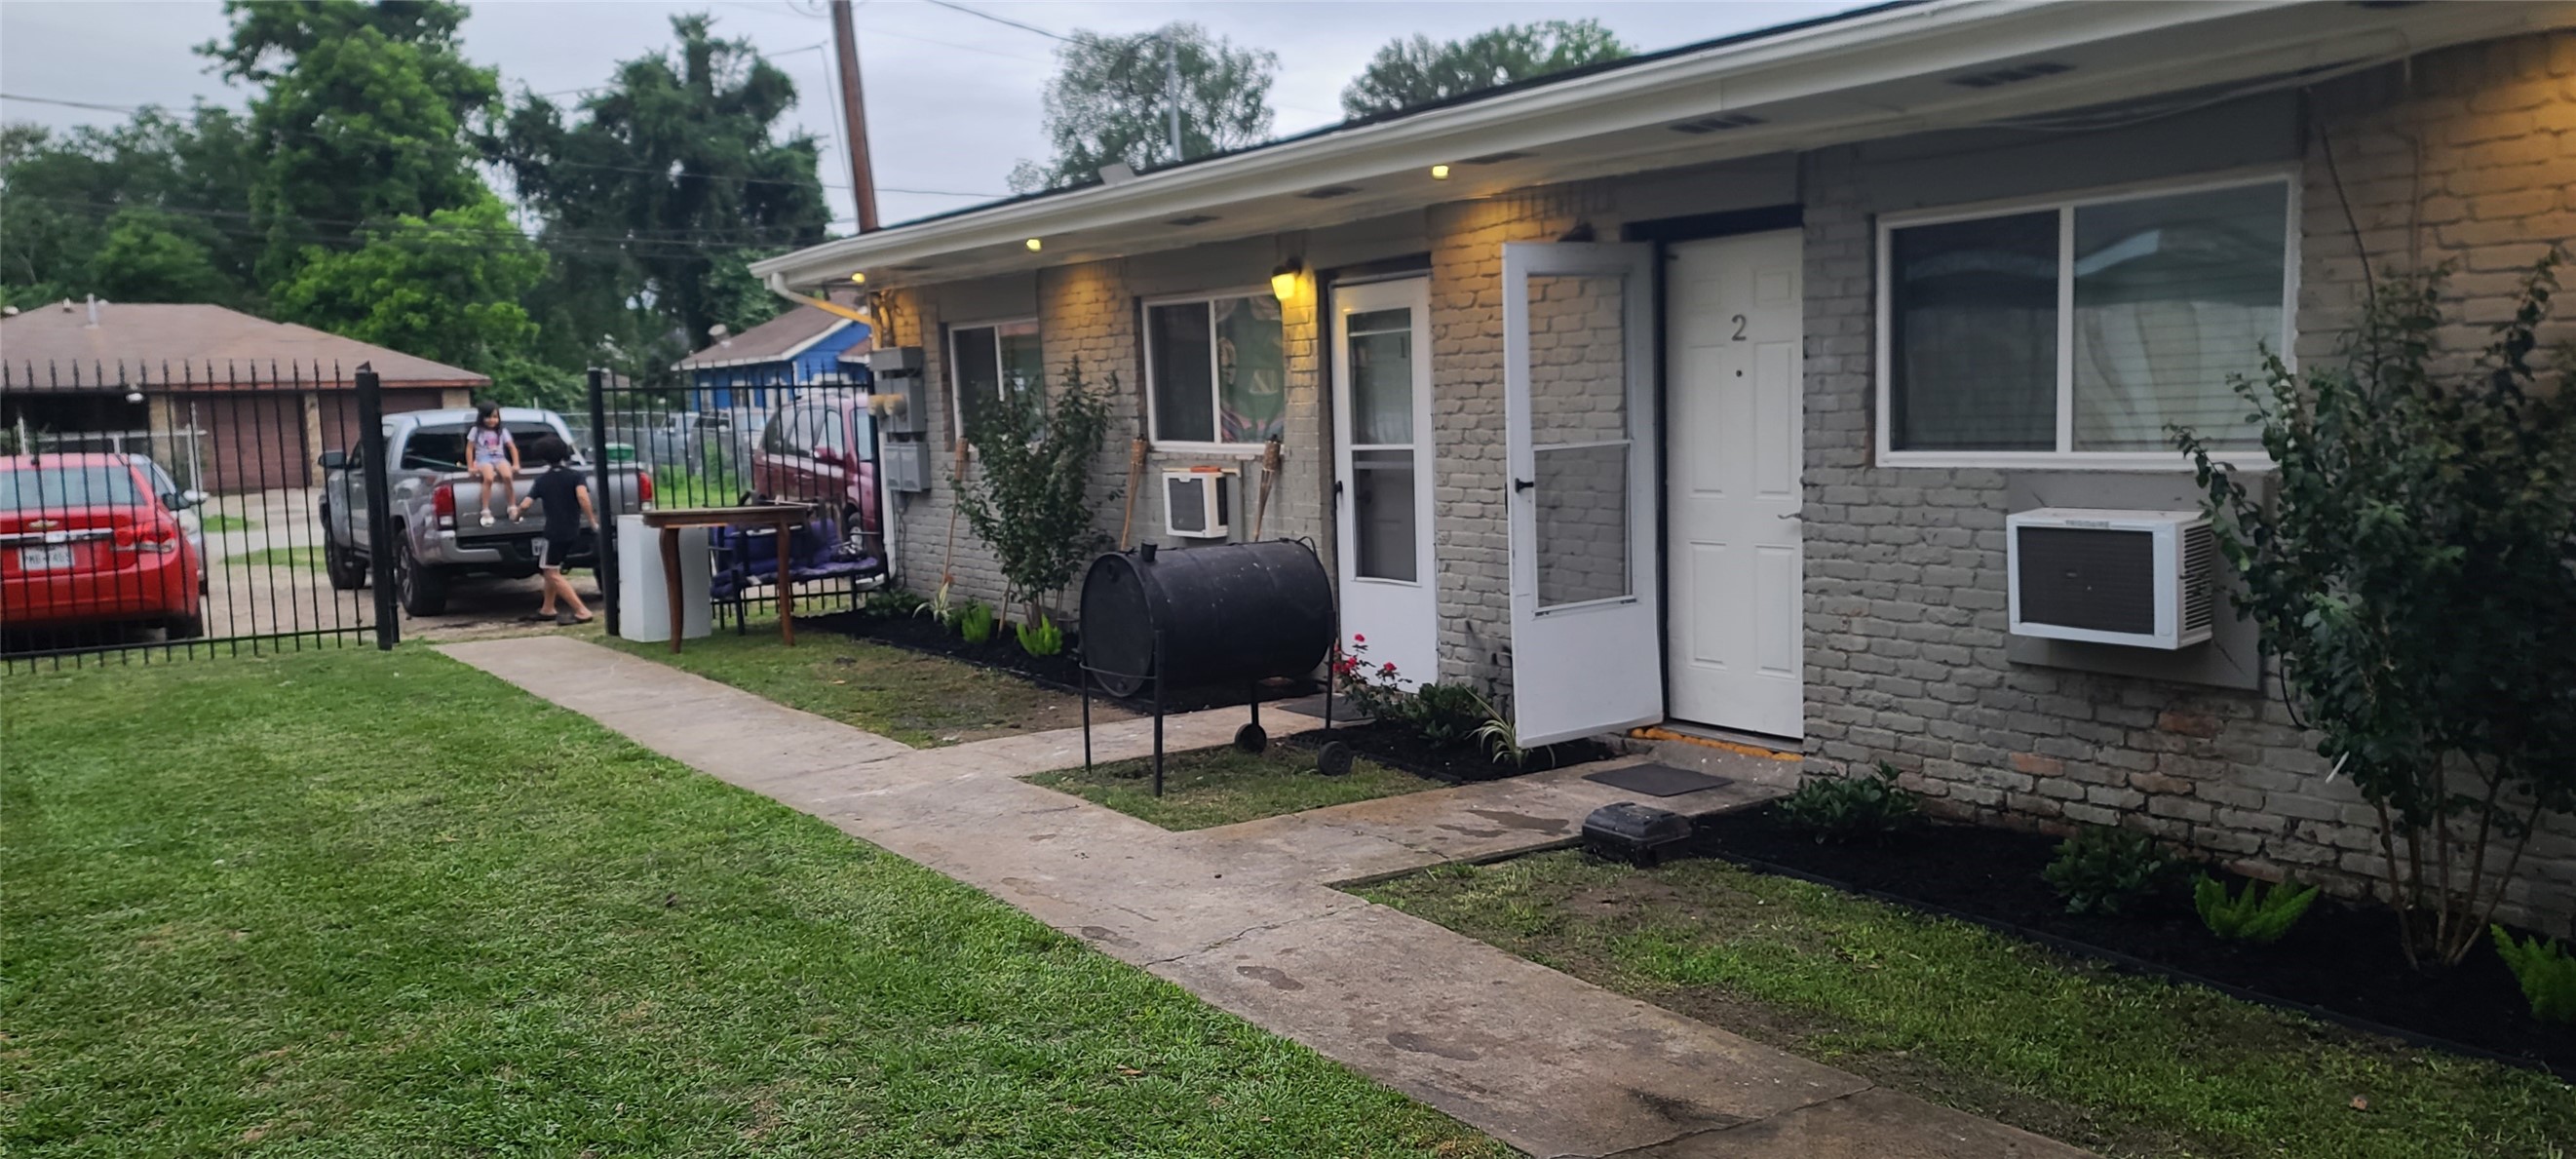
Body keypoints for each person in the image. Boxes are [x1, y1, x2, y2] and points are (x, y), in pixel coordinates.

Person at [509, 437, 595, 625]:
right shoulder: (575, 475)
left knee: (550, 572)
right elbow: (582, 497)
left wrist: (516, 515)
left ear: (542, 458)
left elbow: (525, 504)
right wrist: (592, 521)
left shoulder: (542, 480)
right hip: (572, 530)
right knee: (552, 567)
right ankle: (548, 608)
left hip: (553, 533)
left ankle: (582, 611)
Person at [466, 401, 519, 527]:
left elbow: (512, 447)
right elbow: (469, 448)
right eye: (488, 417)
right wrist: (471, 466)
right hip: (483, 459)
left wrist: (516, 463)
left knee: (507, 476)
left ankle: (512, 506)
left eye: (495, 417)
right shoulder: (476, 430)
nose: (492, 420)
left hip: (499, 458)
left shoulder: (502, 431)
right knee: (489, 478)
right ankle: (485, 509)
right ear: (482, 417)